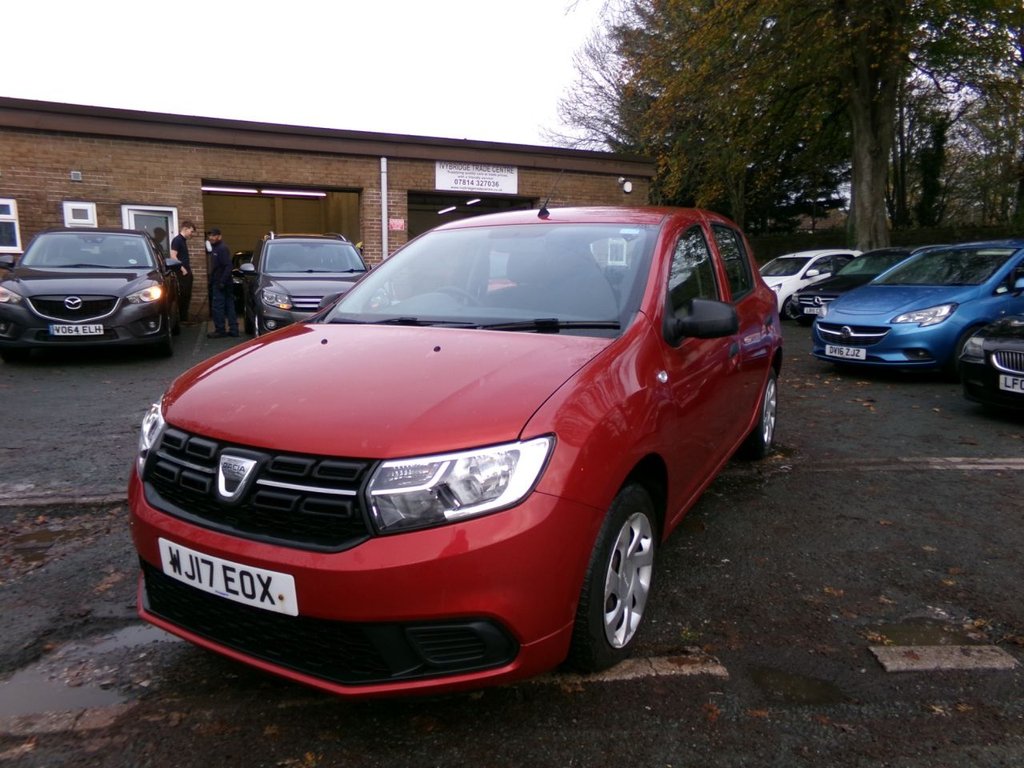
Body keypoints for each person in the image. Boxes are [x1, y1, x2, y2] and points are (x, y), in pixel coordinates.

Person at [206, 228, 238, 338]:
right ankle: (234, 330)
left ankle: (220, 330)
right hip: (222, 282)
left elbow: (228, 266)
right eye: (209, 236)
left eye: (213, 235)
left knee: (218, 307)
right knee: (229, 305)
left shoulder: (221, 249)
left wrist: (221, 282)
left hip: (221, 283)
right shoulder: (215, 249)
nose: (211, 238)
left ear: (219, 236)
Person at [170, 221, 196, 323]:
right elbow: (173, 256)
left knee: (187, 295)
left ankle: (184, 318)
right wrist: (182, 268)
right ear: (185, 228)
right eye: (191, 231)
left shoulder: (183, 241)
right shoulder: (177, 240)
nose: (192, 234)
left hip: (186, 272)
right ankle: (182, 319)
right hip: (182, 273)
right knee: (184, 295)